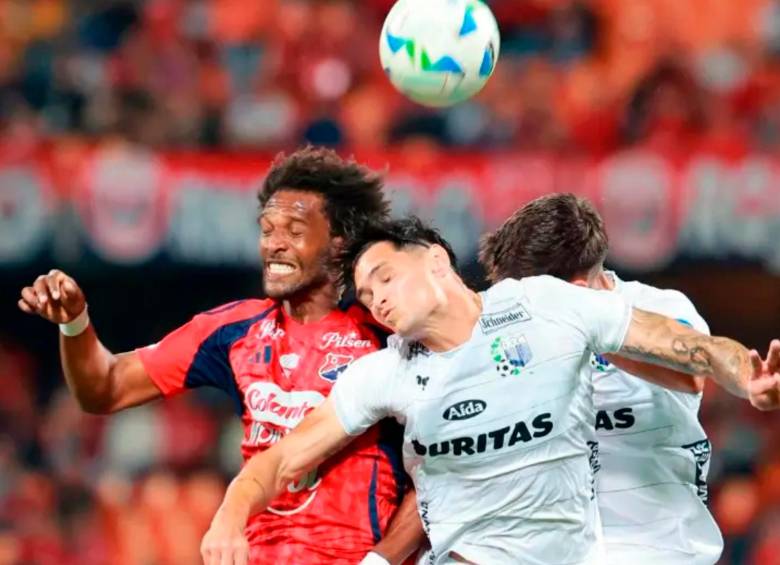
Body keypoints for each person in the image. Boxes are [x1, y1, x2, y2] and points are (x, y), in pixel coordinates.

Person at [199, 215, 780, 565]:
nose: (374, 297)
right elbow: (280, 460)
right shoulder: (386, 373)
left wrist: (746, 376)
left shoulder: (545, 308)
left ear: (435, 262)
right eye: (364, 291)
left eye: (385, 276)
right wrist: (230, 513)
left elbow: (685, 348)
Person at [17, 147, 425, 565]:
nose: (275, 245)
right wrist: (75, 322)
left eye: (295, 231)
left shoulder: (388, 337)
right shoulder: (233, 331)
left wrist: (381, 560)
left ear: (340, 244)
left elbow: (445, 473)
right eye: (267, 230)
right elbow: (104, 389)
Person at [478, 193, 735, 564]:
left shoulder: (662, 308)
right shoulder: (513, 328)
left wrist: (590, 327)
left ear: (576, 291)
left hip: (658, 545)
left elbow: (691, 375)